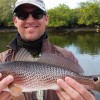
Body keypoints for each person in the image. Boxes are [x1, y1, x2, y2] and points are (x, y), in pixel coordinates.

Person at [0, 0, 95, 100]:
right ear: (15, 21)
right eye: (22, 15)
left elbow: (87, 92)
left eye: (37, 14)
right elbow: (16, 92)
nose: (30, 20)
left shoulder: (67, 56)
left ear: (46, 19)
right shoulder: (2, 59)